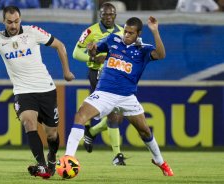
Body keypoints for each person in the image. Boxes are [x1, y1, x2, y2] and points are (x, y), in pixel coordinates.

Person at [0, 6, 75, 179]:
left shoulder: (33, 32)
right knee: (29, 122)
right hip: (23, 91)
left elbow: (60, 45)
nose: (13, 25)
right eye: (9, 22)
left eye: (16, 21)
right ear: (3, 21)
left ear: (20, 19)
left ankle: (51, 156)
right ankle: (42, 166)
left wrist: (66, 71)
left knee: (52, 134)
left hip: (45, 89)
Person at [64, 16, 174, 176]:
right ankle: (69, 158)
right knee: (80, 115)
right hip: (104, 92)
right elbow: (95, 52)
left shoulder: (144, 49)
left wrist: (156, 32)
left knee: (144, 131)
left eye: (130, 33)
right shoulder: (112, 39)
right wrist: (92, 49)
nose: (126, 35)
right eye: (125, 31)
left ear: (138, 34)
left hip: (127, 97)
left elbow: (161, 55)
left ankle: (159, 161)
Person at [73, 2, 131, 166]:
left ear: (115, 15)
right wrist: (92, 58)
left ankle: (92, 131)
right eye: (105, 14)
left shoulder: (122, 32)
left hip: (118, 75)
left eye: (111, 14)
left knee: (119, 117)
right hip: (98, 75)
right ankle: (117, 155)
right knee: (113, 115)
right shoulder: (91, 31)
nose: (108, 17)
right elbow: (76, 53)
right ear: (100, 15)